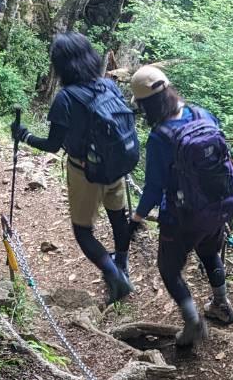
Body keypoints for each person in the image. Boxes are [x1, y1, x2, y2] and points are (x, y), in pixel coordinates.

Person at [11, 33, 139, 303]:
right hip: (116, 166)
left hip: (85, 172)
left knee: (83, 230)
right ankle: (123, 265)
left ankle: (114, 275)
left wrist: (23, 136)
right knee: (118, 217)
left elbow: (52, 146)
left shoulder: (65, 98)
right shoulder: (109, 86)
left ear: (61, 65)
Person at [129, 64, 233, 346]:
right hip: (218, 206)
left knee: (168, 268)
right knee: (208, 250)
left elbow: (154, 188)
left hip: (182, 216)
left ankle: (193, 322)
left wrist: (137, 217)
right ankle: (222, 304)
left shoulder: (160, 136)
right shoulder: (202, 114)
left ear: (146, 105)